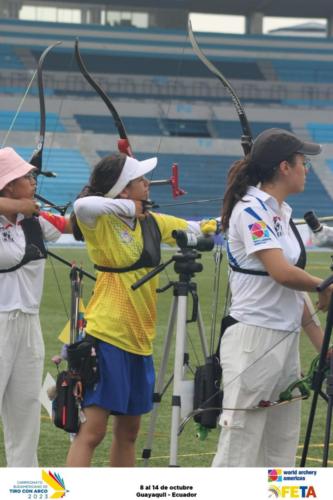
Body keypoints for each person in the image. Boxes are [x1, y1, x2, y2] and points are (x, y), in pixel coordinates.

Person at [66, 152, 208, 467]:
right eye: (140, 180)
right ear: (124, 190)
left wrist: (221, 223)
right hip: (107, 333)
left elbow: (195, 228)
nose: (148, 184)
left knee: (129, 431)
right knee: (92, 430)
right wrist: (128, 207)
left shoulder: (153, 222)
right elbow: (82, 206)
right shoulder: (99, 221)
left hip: (140, 338)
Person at [211, 128, 332, 467]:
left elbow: (290, 290)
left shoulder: (281, 211)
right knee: (239, 449)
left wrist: (323, 345)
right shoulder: (251, 210)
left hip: (284, 341)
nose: (306, 168)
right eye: (302, 162)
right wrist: (324, 286)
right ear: (284, 167)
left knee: (279, 452)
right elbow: (281, 272)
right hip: (254, 341)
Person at [0, 147, 72, 467]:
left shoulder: (34, 223)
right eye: (27, 177)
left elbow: (71, 225)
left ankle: (23, 484)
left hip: (29, 325)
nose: (33, 181)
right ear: (9, 185)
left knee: (26, 410)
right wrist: (14, 206)